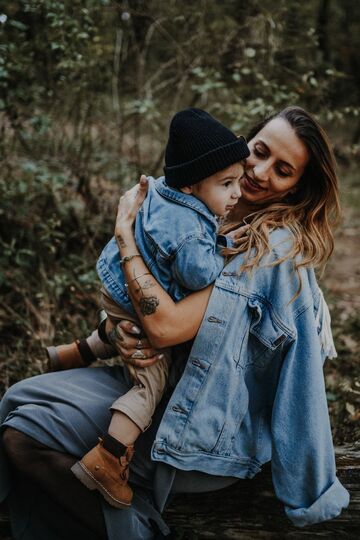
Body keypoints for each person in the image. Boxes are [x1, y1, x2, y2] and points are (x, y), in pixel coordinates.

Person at [0, 106, 350, 540]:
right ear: (244, 145)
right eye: (258, 152)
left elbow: (165, 326)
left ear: (297, 188)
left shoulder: (271, 250)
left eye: (282, 170)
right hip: (161, 382)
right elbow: (145, 298)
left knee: (23, 436)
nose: (258, 172)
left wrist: (125, 234)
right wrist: (117, 333)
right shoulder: (204, 201)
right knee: (16, 399)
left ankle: (137, 529)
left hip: (200, 421)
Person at [46, 108, 249, 510]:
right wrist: (222, 250)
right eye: (227, 184)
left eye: (238, 181)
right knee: (148, 386)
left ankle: (77, 350)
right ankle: (109, 457)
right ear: (192, 186)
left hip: (117, 289)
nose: (237, 193)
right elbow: (197, 275)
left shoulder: (158, 188)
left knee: (122, 327)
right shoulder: (193, 229)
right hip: (140, 303)